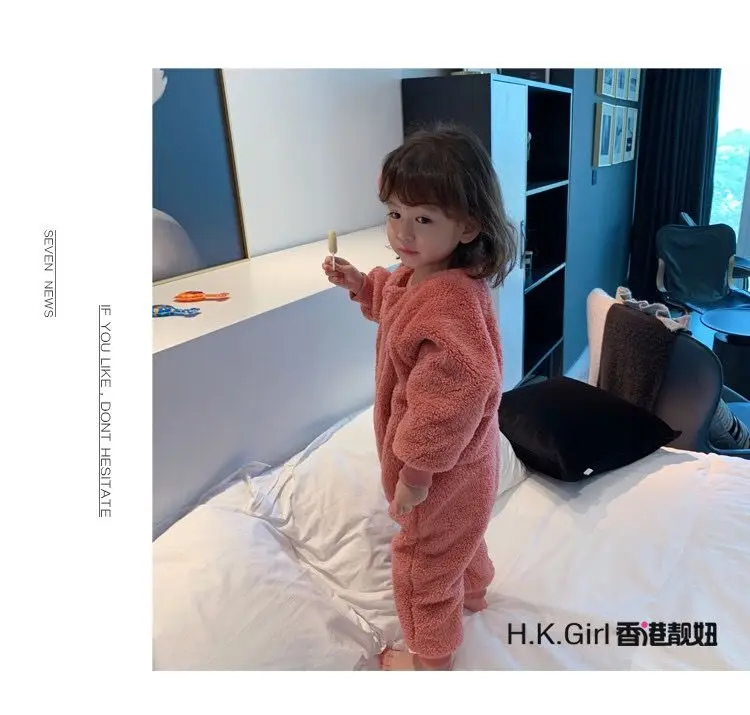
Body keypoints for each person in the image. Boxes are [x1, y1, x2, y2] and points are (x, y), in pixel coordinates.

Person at [322, 124, 518, 670]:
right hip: (469, 463)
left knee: (422, 560)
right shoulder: (421, 276)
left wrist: (416, 474)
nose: (402, 233)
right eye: (394, 213)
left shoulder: (448, 302)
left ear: (468, 225)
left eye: (424, 219)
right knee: (462, 533)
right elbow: (393, 301)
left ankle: (429, 658)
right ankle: (474, 592)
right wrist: (360, 284)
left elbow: (450, 398)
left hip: (442, 469)